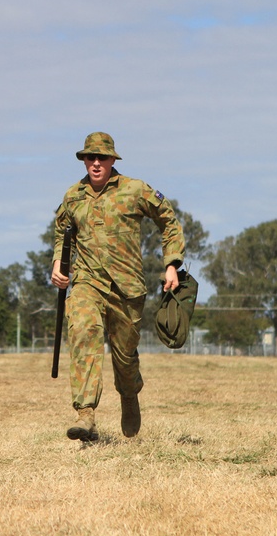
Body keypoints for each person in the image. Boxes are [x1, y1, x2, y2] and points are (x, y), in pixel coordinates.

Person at [50, 132, 185, 442]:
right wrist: (59, 263)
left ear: (113, 160)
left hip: (128, 287)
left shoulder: (134, 190)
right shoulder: (73, 196)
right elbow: (61, 233)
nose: (95, 163)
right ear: (83, 161)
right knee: (84, 332)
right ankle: (85, 414)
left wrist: (171, 263)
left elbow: (168, 219)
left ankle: (129, 393)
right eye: (89, 158)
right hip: (87, 283)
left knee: (124, 358)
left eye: (102, 158)